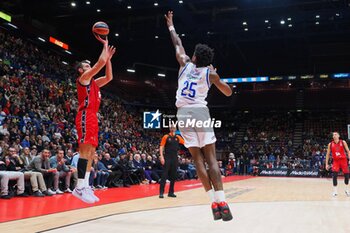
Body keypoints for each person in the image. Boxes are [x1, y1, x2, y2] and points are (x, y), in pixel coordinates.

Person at [164, 11, 233, 221]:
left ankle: (212, 201)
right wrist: (216, 77)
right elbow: (228, 92)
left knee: (197, 160)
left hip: (183, 114)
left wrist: (171, 26)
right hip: (200, 112)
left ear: (194, 57)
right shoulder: (210, 73)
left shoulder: (184, 64)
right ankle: (222, 201)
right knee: (211, 158)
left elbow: (177, 43)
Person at [72, 35, 116, 204]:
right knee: (84, 152)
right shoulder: (83, 79)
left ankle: (86, 186)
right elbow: (99, 64)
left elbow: (109, 77)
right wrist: (105, 45)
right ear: (81, 70)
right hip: (85, 115)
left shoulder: (95, 83)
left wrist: (109, 59)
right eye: (86, 66)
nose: (89, 66)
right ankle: (79, 187)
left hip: (92, 117)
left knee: (91, 152)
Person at [159, 125, 184, 198]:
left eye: (174, 128)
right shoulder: (166, 137)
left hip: (175, 158)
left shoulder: (178, 137)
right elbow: (161, 147)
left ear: (175, 129)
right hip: (167, 157)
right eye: (171, 128)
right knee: (164, 175)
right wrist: (161, 157)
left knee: (173, 176)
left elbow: (185, 143)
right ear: (170, 129)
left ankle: (171, 192)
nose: (173, 129)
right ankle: (161, 192)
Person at [325, 132, 350, 197]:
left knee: (347, 176)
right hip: (336, 161)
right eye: (333, 135)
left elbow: (348, 151)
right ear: (333, 137)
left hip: (343, 160)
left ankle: (347, 190)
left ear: (339, 136)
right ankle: (335, 191)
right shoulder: (330, 144)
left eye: (336, 134)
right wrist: (326, 164)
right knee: (334, 175)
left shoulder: (343, 142)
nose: (334, 135)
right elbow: (327, 154)